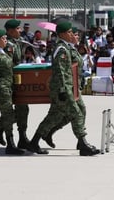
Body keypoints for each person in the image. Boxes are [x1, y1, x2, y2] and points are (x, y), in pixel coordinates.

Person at [29, 22, 100, 156]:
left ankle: (35, 142)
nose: (72, 34)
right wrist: (62, 90)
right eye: (69, 32)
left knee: (55, 116)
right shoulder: (61, 49)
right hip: (64, 88)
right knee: (76, 113)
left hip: (70, 87)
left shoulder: (66, 47)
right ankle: (83, 144)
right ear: (61, 34)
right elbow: (61, 71)